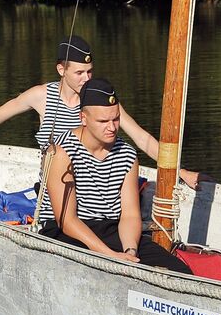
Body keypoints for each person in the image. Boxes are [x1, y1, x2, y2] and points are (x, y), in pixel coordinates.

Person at [0, 35, 201, 189]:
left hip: (97, 186)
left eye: (90, 72)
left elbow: (142, 139)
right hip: (56, 187)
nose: (86, 79)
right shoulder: (41, 95)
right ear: (61, 70)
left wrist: (180, 171)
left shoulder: (100, 101)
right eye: (79, 72)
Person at [36, 77, 192, 274]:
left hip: (112, 229)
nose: (111, 127)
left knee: (179, 271)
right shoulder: (60, 152)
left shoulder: (127, 154)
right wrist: (109, 255)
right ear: (83, 118)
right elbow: (67, 220)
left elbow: (130, 215)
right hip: (70, 232)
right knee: (96, 268)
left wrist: (130, 251)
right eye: (103, 121)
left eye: (115, 119)